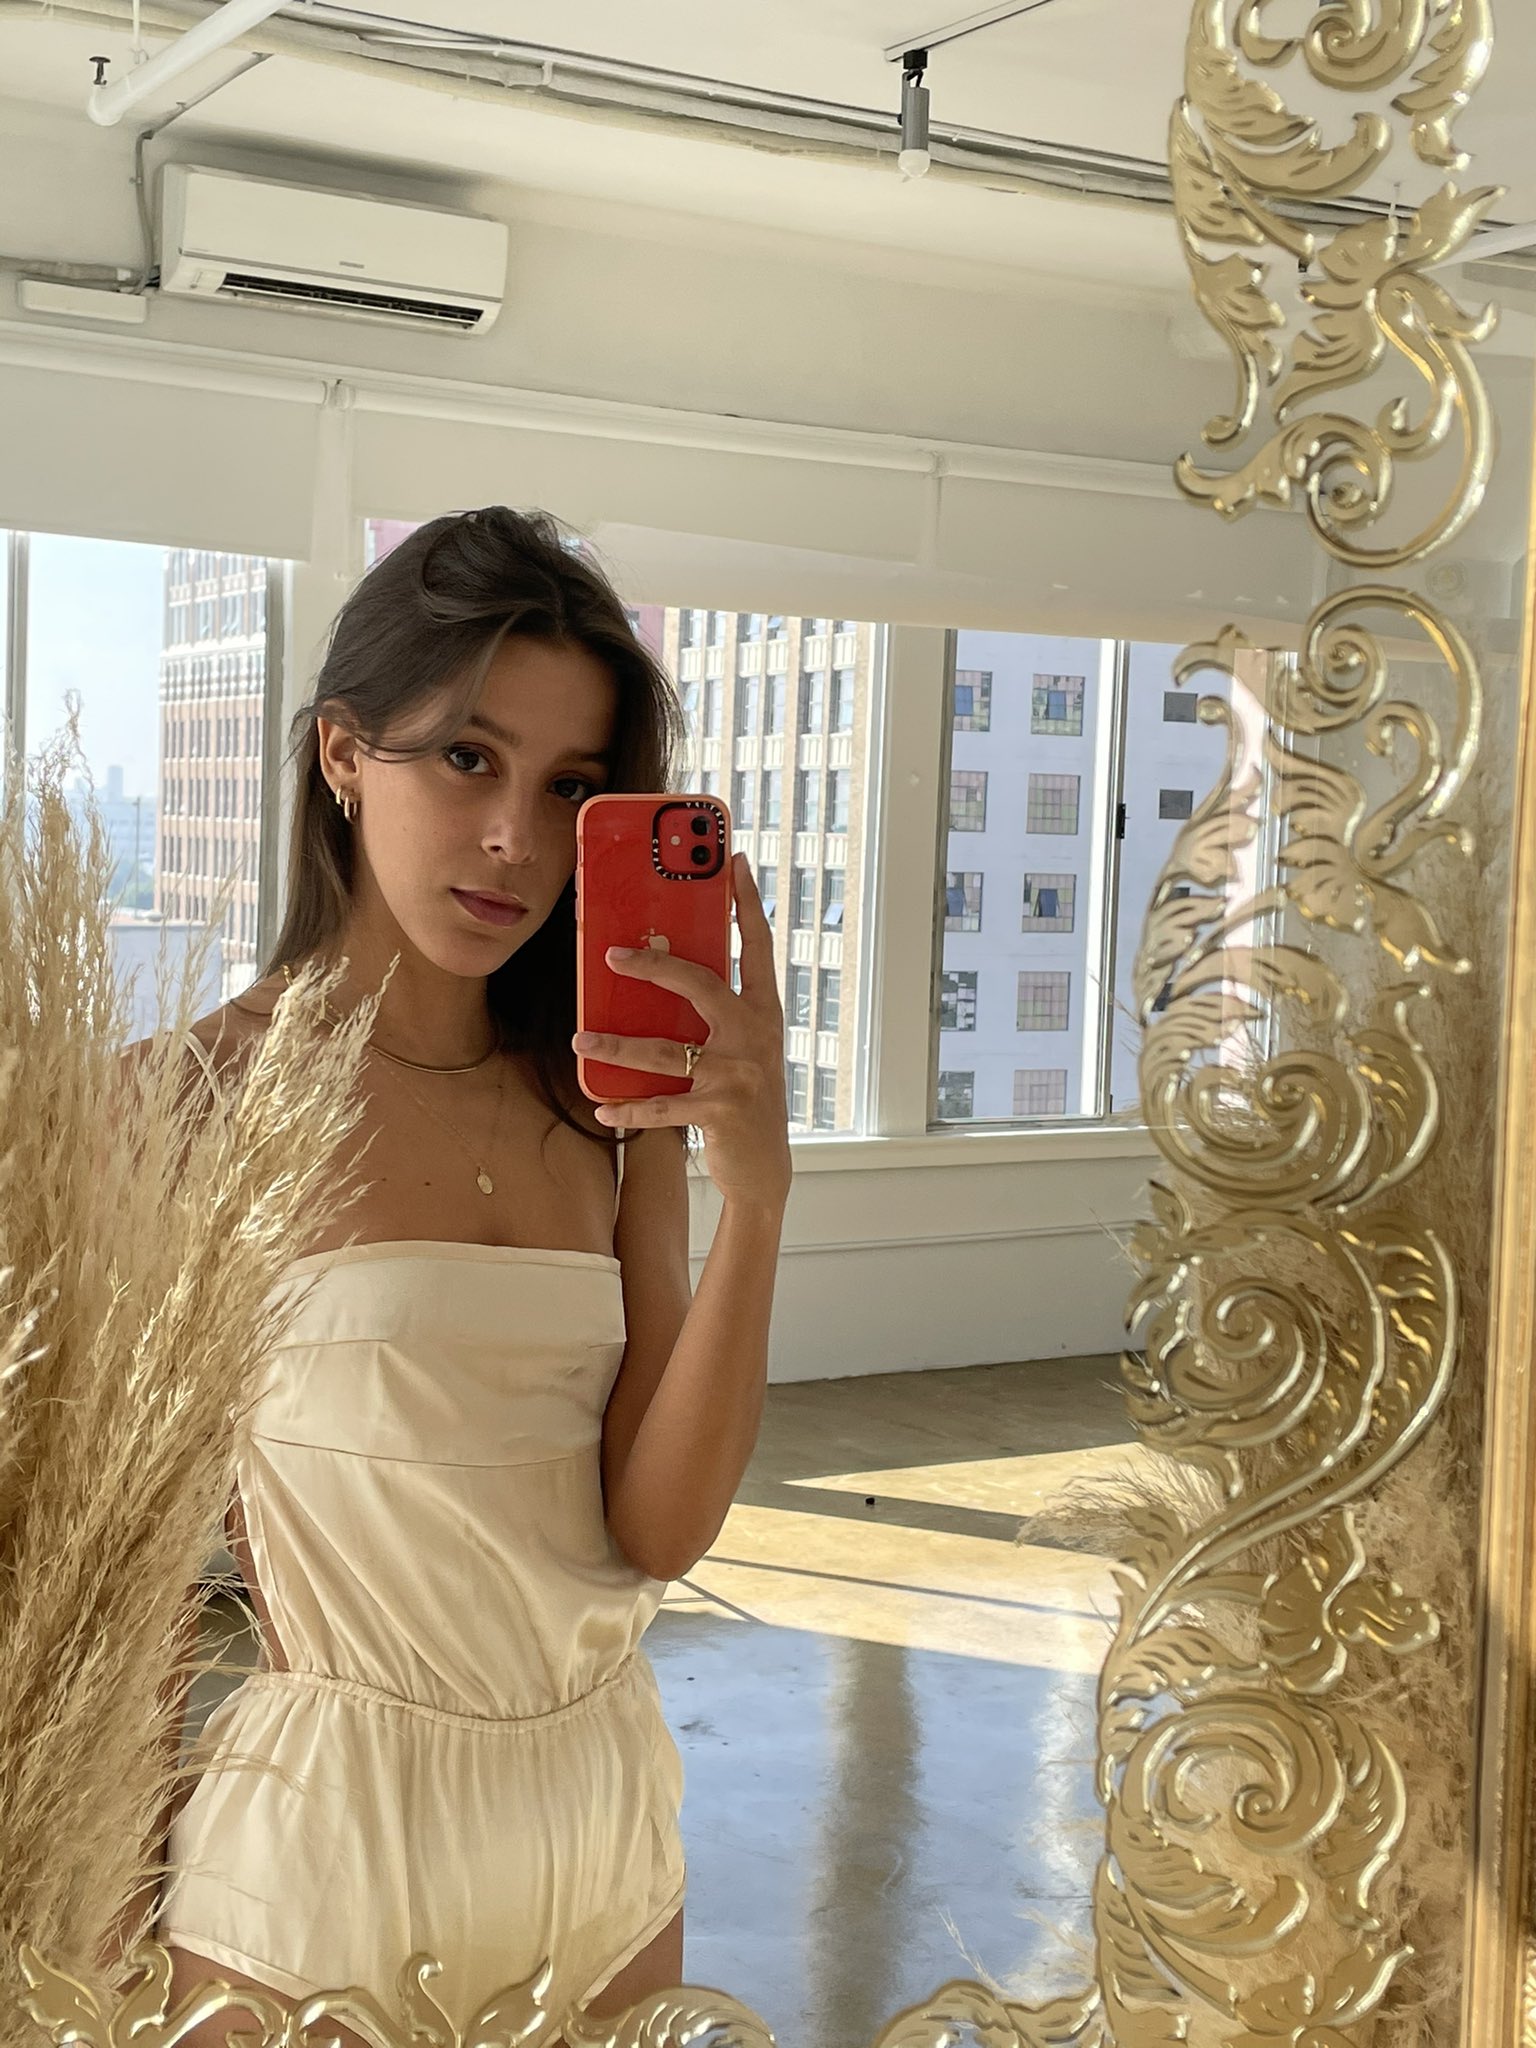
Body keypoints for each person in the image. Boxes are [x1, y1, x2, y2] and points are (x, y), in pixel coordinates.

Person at [144, 507, 792, 2046]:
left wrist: (758, 1200)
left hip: (605, 1825)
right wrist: (96, 1940)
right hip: (321, 1867)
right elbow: (130, 1603)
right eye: (466, 759)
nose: (519, 837)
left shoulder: (608, 1105)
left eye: (572, 787)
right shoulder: (183, 1105)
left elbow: (657, 1531)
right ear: (342, 755)